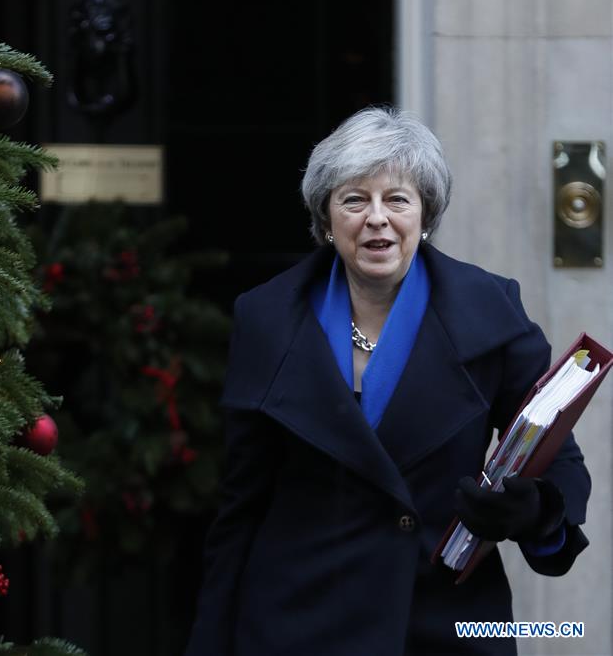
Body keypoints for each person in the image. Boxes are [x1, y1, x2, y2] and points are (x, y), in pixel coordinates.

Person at [184, 106, 590, 656]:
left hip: (442, 624)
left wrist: (535, 509)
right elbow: (241, 505)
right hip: (296, 623)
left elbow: (557, 453)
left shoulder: (491, 310)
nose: (377, 217)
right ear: (326, 221)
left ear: (425, 215)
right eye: (354, 199)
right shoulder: (265, 318)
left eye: (397, 199)